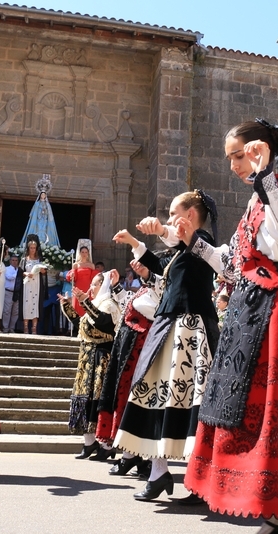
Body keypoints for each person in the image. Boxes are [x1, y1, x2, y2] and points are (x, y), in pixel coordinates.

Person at [181, 119, 278, 534]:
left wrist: (267, 180)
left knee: (277, 409)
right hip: (249, 309)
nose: (232, 164)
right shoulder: (256, 200)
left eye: (236, 155)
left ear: (258, 150)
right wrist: (194, 242)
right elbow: (235, 263)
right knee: (247, 408)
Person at [112, 190, 218, 503]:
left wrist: (160, 229)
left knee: (188, 401)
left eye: (174, 213)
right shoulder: (182, 250)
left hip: (190, 329)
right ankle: (158, 472)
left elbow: (177, 240)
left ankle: (199, 479)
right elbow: (161, 265)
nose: (170, 219)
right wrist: (135, 243)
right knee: (158, 394)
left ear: (191, 216)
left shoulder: (203, 243)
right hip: (170, 327)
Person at [97, 260, 161, 476]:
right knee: (124, 401)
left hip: (140, 351)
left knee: (134, 402)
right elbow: (128, 306)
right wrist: (116, 286)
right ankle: (131, 457)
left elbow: (147, 310)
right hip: (128, 351)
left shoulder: (159, 291)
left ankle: (137, 458)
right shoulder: (144, 290)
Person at [61, 270, 122, 459]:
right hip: (87, 358)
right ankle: (88, 443)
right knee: (84, 400)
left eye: (94, 284)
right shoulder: (95, 305)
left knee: (99, 401)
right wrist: (67, 306)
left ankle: (105, 444)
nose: (90, 288)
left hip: (101, 359)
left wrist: (84, 302)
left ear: (103, 285)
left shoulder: (109, 304)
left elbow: (102, 323)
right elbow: (83, 324)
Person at [19, 235, 46, 334]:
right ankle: (26, 327)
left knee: (35, 303)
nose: (33, 250)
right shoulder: (24, 259)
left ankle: (34, 328)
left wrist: (43, 271)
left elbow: (44, 272)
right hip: (27, 283)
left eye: (34, 248)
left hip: (36, 283)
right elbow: (20, 271)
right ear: (28, 248)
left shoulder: (39, 259)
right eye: (31, 248)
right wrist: (26, 273)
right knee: (27, 303)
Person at [66, 242, 98, 319]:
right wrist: (72, 276)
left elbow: (94, 278)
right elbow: (72, 277)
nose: (84, 254)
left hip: (88, 288)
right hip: (78, 286)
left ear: (88, 254)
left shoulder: (91, 265)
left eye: (86, 252)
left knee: (87, 306)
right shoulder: (76, 265)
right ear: (80, 253)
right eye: (82, 252)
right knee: (77, 307)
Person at [1, 255, 20, 333]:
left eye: (16, 260)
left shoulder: (19, 270)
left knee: (15, 312)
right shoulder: (7, 269)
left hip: (17, 292)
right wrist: (19, 274)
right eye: (13, 260)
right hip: (8, 292)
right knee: (7, 311)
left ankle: (12, 328)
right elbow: (9, 277)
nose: (14, 262)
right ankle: (5, 327)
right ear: (10, 261)